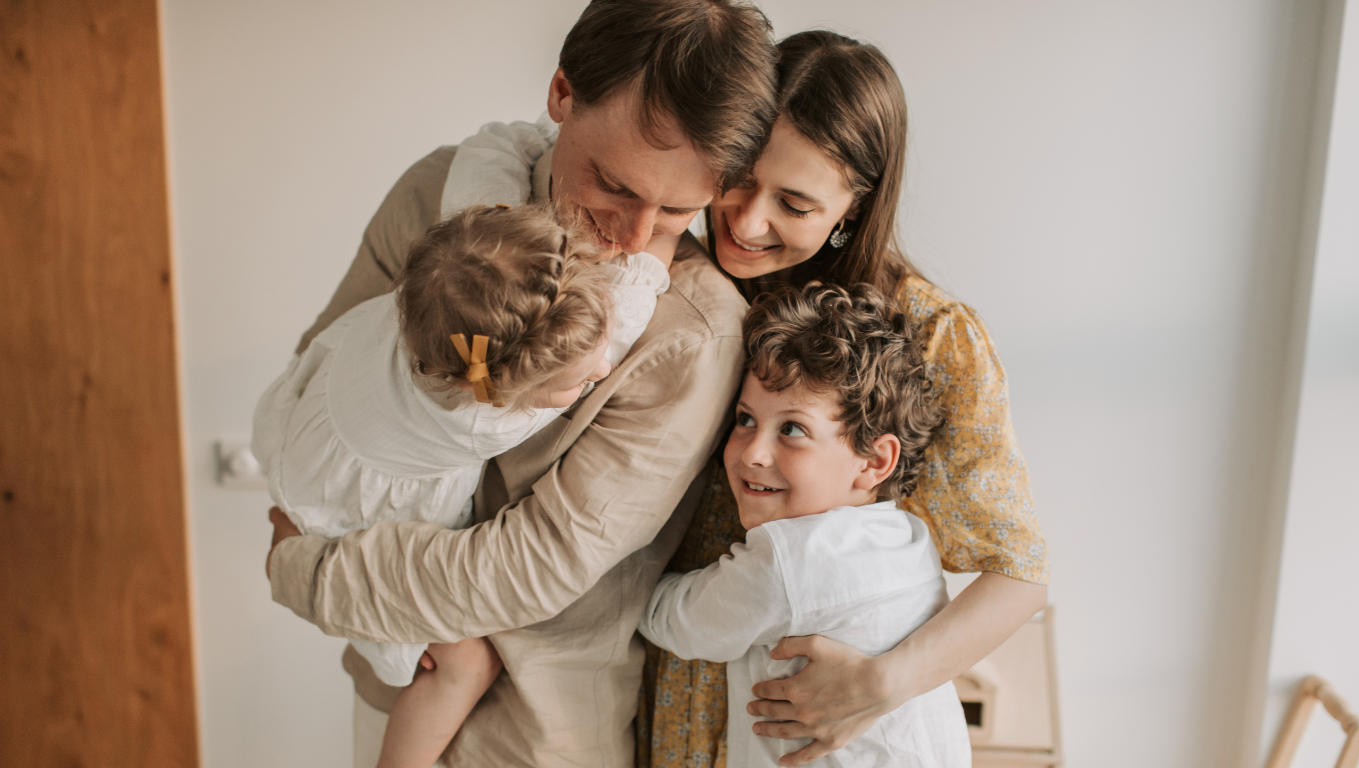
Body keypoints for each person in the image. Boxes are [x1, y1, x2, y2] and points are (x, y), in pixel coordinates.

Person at [264, 1, 778, 766]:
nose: (634, 238)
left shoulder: (695, 335)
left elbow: (536, 563)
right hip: (388, 686)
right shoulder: (435, 193)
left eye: (678, 209)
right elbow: (327, 373)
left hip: (535, 736)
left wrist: (305, 570)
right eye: (614, 185)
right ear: (562, 93)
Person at [641, 31, 1049, 767]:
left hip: (805, 723)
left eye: (794, 204)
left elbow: (1017, 575)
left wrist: (879, 685)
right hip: (660, 697)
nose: (746, 219)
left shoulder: (930, 337)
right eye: (739, 176)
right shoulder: (670, 278)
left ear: (853, 208)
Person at [253, 203, 672, 768]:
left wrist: (514, 144)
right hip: (345, 507)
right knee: (466, 664)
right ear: (501, 390)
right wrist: (668, 230)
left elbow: (485, 167)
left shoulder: (451, 276)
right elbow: (631, 305)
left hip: (308, 446)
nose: (601, 368)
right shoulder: (483, 416)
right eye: (573, 384)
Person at [639, 282, 970, 768]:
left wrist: (631, 565)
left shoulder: (790, 558)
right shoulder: (908, 539)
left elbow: (677, 622)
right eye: (746, 419)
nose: (753, 451)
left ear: (874, 461)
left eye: (792, 429)